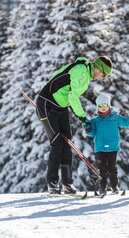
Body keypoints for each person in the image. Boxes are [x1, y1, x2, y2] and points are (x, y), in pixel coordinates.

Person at [36, 56, 113, 194]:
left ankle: (67, 184)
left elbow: (68, 94)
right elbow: (73, 97)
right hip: (47, 104)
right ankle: (53, 183)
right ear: (98, 68)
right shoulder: (81, 71)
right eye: (104, 74)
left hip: (60, 107)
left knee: (68, 144)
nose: (103, 77)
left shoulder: (85, 75)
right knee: (57, 143)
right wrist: (83, 117)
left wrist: (82, 118)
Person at [83, 94, 129, 194]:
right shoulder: (95, 121)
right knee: (102, 169)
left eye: (105, 106)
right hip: (100, 148)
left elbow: (125, 122)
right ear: (98, 107)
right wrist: (88, 129)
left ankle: (114, 187)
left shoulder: (115, 118)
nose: (103, 109)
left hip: (113, 147)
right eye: (100, 106)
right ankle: (102, 188)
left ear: (109, 106)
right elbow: (92, 133)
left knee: (112, 168)